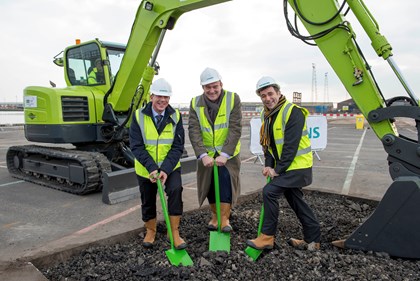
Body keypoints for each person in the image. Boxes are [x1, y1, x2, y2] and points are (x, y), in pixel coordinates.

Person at [246, 76, 321, 251]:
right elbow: (269, 145)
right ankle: (313, 239)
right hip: (288, 168)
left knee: (269, 192)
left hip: (298, 167)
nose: (267, 98)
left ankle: (267, 237)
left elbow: (291, 146)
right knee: (295, 200)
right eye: (263, 96)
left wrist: (277, 170)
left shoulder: (292, 111)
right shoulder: (268, 116)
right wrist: (268, 165)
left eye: (270, 93)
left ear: (279, 93)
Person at [129, 78, 187, 250]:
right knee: (147, 199)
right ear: (151, 96)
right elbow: (136, 146)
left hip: (170, 167)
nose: (163, 100)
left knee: (176, 191)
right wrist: (152, 168)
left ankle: (174, 232)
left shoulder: (175, 116)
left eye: (166, 97)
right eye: (159, 96)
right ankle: (150, 230)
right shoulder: (139, 116)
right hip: (146, 169)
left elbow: (178, 146)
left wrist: (166, 169)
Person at [188, 67, 242, 233]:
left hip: (228, 154)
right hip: (207, 155)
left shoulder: (233, 99)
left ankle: (224, 218)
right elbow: (194, 129)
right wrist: (202, 154)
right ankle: (215, 216)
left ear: (221, 84)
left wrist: (225, 154)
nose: (212, 90)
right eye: (207, 87)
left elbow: (235, 128)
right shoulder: (195, 102)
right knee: (209, 184)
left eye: (215, 86)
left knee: (225, 180)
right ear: (202, 88)